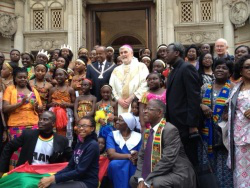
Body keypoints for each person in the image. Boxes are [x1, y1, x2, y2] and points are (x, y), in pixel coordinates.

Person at [130, 99, 196, 188]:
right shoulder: (147, 132)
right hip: (157, 172)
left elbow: (168, 159)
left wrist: (147, 181)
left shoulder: (170, 130)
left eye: (149, 109)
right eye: (145, 108)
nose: (145, 111)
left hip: (176, 171)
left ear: (159, 113)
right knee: (134, 180)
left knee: (157, 183)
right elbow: (142, 157)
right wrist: (141, 179)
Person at [0, 111, 72, 175]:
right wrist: (2, 170)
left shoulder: (61, 140)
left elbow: (72, 158)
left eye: (45, 119)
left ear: (53, 123)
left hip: (47, 176)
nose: (41, 121)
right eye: (40, 119)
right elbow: (8, 147)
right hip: (26, 174)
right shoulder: (28, 135)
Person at [200, 58, 234, 187]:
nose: (220, 70)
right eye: (218, 67)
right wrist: (202, 106)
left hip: (223, 134)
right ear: (213, 70)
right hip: (206, 133)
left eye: (224, 68)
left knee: (223, 163)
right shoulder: (205, 87)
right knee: (207, 163)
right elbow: (196, 102)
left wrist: (229, 112)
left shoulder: (233, 88)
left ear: (230, 73)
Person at [38, 116, 99, 188]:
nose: (81, 128)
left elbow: (79, 171)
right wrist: (53, 176)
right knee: (48, 184)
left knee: (52, 187)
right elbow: (70, 166)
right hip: (77, 180)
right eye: (79, 126)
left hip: (87, 183)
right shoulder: (80, 143)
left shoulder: (92, 145)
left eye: (85, 126)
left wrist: (53, 179)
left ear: (92, 128)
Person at [165, 42, 200, 166]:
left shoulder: (186, 68)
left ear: (176, 53)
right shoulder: (173, 71)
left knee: (189, 160)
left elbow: (193, 97)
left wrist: (192, 125)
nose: (165, 55)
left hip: (186, 124)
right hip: (175, 124)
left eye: (167, 52)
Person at [3, 67, 43, 169]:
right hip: (16, 125)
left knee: (32, 148)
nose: (23, 79)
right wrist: (20, 103)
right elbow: (5, 108)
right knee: (17, 150)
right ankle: (15, 173)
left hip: (33, 123)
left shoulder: (33, 90)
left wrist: (37, 107)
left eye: (25, 77)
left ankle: (31, 172)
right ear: (15, 79)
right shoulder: (10, 89)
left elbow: (40, 108)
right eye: (20, 77)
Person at [227, 54, 250, 188]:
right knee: (242, 174)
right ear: (240, 70)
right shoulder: (236, 88)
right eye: (247, 67)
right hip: (240, 138)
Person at [109, 44, 149, 115]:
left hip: (136, 104)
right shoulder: (116, 70)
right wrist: (118, 99)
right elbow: (111, 87)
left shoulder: (141, 66)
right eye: (121, 53)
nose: (123, 54)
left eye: (125, 52)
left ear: (132, 53)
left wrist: (131, 98)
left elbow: (145, 84)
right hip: (120, 105)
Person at [106, 112, 142, 188]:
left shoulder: (138, 137)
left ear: (128, 123)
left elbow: (140, 155)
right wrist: (129, 156)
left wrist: (136, 156)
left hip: (133, 164)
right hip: (116, 164)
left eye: (120, 120)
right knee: (114, 164)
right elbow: (111, 155)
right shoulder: (112, 135)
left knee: (133, 166)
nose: (117, 122)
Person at [48, 68, 75, 146]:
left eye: (60, 75)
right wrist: (53, 104)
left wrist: (67, 104)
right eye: (56, 75)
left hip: (67, 115)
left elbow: (75, 104)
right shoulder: (52, 90)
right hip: (54, 114)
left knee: (66, 131)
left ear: (66, 76)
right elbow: (47, 104)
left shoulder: (70, 90)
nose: (58, 77)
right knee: (54, 131)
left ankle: (66, 147)